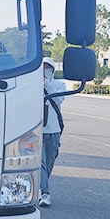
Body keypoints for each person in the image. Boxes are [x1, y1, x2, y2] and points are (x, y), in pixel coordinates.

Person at [40, 56, 65, 207]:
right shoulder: (32, 85)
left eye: (48, 68)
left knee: (49, 162)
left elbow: (59, 99)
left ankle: (42, 185)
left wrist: (46, 83)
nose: (45, 71)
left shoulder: (59, 85)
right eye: (42, 68)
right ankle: (45, 193)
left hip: (54, 130)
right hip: (37, 130)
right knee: (41, 162)